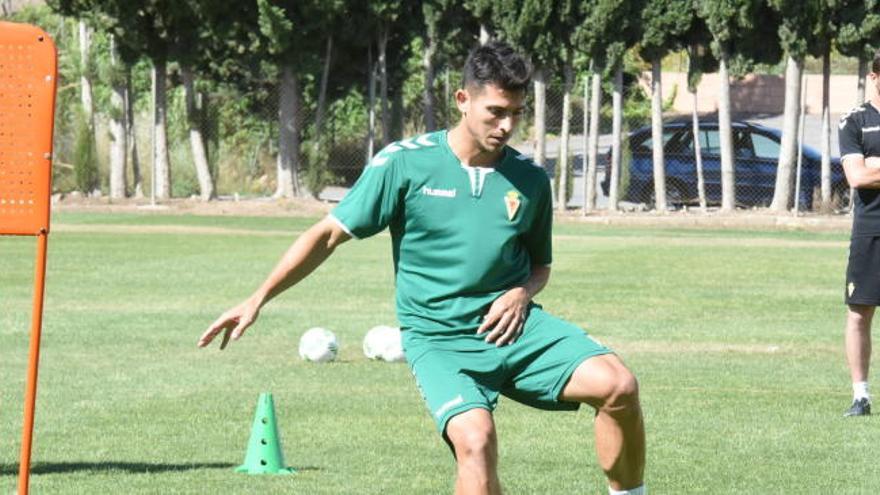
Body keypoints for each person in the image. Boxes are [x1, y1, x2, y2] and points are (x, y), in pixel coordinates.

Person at [198, 41, 646, 494]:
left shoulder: (529, 180)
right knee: (476, 442)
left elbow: (540, 266)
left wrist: (521, 293)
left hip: (516, 329)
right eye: (495, 111)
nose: (507, 125)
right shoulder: (406, 164)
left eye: (516, 112)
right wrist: (258, 298)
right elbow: (327, 235)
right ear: (462, 99)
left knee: (618, 385)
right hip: (440, 340)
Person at [839, 49, 880, 417]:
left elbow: (871, 172)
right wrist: (869, 168)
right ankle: (861, 395)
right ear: (874, 77)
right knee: (858, 313)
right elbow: (858, 177)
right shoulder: (855, 121)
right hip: (870, 232)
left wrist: (876, 165)